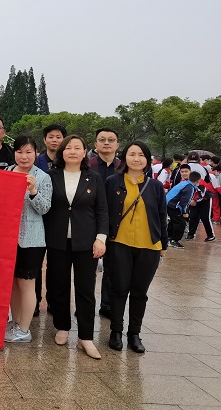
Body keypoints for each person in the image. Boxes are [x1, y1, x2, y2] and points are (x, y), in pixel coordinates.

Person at [43, 135, 108, 359]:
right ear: (61, 152)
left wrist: (101, 238)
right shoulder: (50, 176)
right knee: (58, 285)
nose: (72, 151)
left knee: (85, 289)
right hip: (57, 240)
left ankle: (85, 337)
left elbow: (102, 210)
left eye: (77, 148)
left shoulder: (94, 178)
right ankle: (62, 326)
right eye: (68, 148)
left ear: (84, 152)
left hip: (86, 242)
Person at [105, 141, 167, 353]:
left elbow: (161, 216)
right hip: (119, 243)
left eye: (141, 155)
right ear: (124, 157)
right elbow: (104, 212)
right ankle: (115, 331)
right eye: (132, 154)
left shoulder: (155, 186)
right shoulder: (112, 182)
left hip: (149, 245)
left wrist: (163, 245)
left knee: (140, 292)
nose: (136, 158)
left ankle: (134, 334)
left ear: (147, 160)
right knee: (119, 289)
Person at [4, 136, 52, 343]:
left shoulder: (42, 177)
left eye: (28, 152)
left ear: (36, 153)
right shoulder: (7, 172)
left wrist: (33, 191)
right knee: (13, 284)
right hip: (8, 237)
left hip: (31, 239)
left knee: (26, 284)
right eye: (19, 152)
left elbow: (45, 208)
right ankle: (15, 322)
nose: (24, 156)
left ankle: (24, 329)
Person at [34, 124, 66, 315]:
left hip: (58, 220)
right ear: (44, 139)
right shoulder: (36, 161)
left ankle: (54, 301)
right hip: (37, 217)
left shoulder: (67, 162)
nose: (54, 140)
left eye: (58, 137)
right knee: (35, 264)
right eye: (51, 137)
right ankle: (35, 301)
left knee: (56, 265)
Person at [89, 128, 121, 320]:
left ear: (117, 144)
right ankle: (86, 304)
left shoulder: (123, 166)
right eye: (102, 140)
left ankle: (107, 305)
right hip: (91, 222)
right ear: (96, 145)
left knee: (112, 268)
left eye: (111, 139)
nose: (106, 143)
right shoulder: (88, 165)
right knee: (88, 269)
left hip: (117, 223)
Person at [184, 152, 215, 242]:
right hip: (202, 196)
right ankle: (210, 235)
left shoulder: (185, 168)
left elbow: (203, 191)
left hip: (198, 195)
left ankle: (191, 234)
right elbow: (208, 181)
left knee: (194, 216)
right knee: (204, 217)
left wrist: (194, 200)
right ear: (198, 159)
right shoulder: (203, 168)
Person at [166, 166, 198, 248]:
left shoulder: (184, 183)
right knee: (180, 223)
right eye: (182, 172)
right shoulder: (189, 186)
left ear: (190, 172)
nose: (184, 173)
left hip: (169, 204)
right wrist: (185, 212)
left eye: (186, 171)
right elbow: (185, 202)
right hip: (174, 206)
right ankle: (174, 240)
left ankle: (168, 238)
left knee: (174, 221)